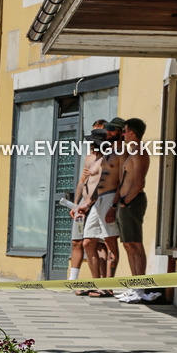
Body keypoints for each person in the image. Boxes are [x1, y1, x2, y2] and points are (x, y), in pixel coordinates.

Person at [77, 117, 126, 297]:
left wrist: (115, 205)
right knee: (88, 242)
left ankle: (108, 286)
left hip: (111, 198)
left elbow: (123, 180)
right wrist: (87, 204)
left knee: (110, 242)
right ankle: (96, 282)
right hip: (98, 201)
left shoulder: (121, 153)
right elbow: (98, 184)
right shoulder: (102, 157)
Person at [114, 117, 159, 304]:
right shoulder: (130, 152)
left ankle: (140, 288)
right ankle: (134, 285)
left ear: (132, 132)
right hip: (124, 204)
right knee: (128, 245)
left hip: (132, 203)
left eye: (124, 131)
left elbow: (139, 183)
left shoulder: (140, 152)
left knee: (136, 244)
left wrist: (125, 201)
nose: (122, 134)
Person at [70, 119, 105, 291]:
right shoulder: (88, 158)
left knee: (97, 244)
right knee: (77, 241)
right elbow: (81, 182)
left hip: (96, 205)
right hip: (83, 205)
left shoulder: (107, 157)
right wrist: (75, 204)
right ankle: (72, 279)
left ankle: (101, 283)